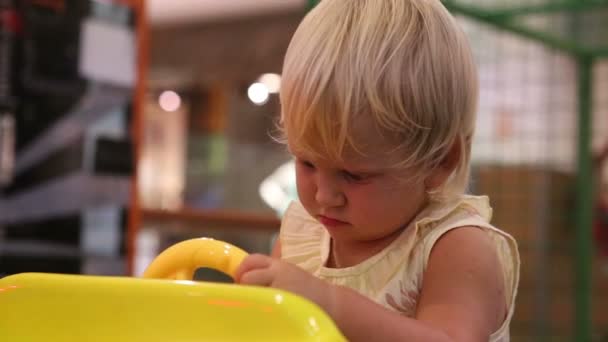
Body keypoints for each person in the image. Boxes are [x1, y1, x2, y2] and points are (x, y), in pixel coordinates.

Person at [235, 0, 520, 341]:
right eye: (307, 162)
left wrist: (330, 305)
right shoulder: (302, 237)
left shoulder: (454, 247)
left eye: (354, 175)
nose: (324, 196)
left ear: (438, 161)